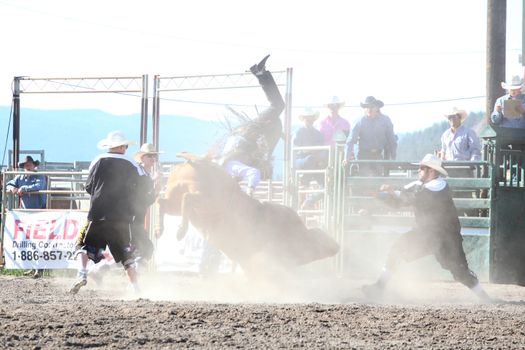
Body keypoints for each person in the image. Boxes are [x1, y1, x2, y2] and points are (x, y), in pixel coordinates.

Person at [362, 154, 492, 302]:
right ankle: (379, 287)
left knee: (460, 272)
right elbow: (400, 200)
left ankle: (485, 298)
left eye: (422, 168)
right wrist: (380, 196)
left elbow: (413, 197)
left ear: (432, 171)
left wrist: (393, 192)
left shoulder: (439, 186)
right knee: (397, 248)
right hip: (426, 233)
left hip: (445, 237)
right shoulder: (420, 185)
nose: (419, 170)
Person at [69, 130, 144, 294]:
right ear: (123, 146)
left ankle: (81, 273)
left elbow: (89, 186)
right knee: (125, 253)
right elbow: (143, 186)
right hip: (122, 217)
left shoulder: (98, 160)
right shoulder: (132, 163)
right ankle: (135, 287)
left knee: (82, 245)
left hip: (98, 212)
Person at [219, 55, 285, 196]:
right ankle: (261, 73)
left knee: (278, 105)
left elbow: (253, 171)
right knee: (278, 119)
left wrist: (250, 191)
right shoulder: (238, 162)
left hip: (250, 131)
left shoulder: (232, 166)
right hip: (252, 132)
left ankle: (260, 74)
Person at [5, 155, 47, 279]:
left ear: (34, 165)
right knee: (28, 241)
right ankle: (33, 267)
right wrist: (12, 188)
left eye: (29, 164)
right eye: (25, 165)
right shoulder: (20, 177)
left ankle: (39, 268)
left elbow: (39, 186)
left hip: (38, 212)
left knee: (38, 241)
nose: (27, 167)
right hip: (25, 214)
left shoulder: (39, 176)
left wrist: (23, 188)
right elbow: (8, 184)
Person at [345, 96, 397, 176]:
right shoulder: (359, 121)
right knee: (365, 179)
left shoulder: (385, 120)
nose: (369, 109)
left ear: (377, 108)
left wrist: (393, 157)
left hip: (378, 154)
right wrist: (346, 157)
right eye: (366, 107)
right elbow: (351, 140)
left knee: (377, 179)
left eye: (372, 106)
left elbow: (392, 140)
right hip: (362, 155)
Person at [293, 107, 326, 186]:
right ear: (303, 119)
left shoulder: (318, 134)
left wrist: (310, 150)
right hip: (301, 160)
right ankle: (305, 181)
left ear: (313, 119)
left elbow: (320, 149)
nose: (309, 120)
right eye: (307, 118)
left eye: (310, 118)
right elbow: (295, 148)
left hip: (314, 162)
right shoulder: (298, 132)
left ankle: (305, 183)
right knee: (311, 159)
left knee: (324, 185)